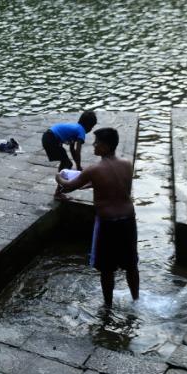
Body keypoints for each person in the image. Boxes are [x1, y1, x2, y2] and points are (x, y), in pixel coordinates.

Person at [55, 127, 139, 308]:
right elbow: (117, 186)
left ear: (107, 146)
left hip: (108, 223)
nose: (93, 146)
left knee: (107, 268)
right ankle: (136, 300)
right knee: (131, 264)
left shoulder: (94, 169)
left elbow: (69, 187)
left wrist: (59, 177)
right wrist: (90, 185)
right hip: (128, 219)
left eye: (97, 143)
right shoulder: (127, 164)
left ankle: (107, 307)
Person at [42, 110, 97, 199]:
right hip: (51, 139)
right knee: (67, 164)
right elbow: (78, 151)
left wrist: (77, 164)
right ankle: (58, 192)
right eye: (91, 127)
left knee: (66, 163)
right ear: (88, 126)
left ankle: (59, 188)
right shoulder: (81, 131)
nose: (90, 130)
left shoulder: (76, 128)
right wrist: (78, 166)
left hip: (48, 137)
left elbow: (72, 150)